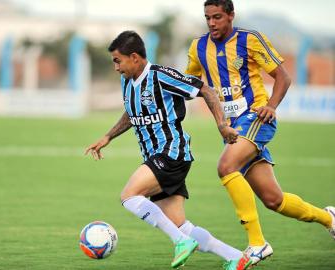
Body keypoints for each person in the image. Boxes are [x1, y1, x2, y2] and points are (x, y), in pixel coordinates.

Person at [185, 0, 335, 266]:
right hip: (233, 129)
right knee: (273, 200)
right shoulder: (198, 47)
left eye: (217, 17)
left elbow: (283, 76)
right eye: (207, 17)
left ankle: (258, 243)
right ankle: (329, 218)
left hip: (256, 116)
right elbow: (190, 83)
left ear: (231, 15)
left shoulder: (250, 40)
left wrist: (271, 105)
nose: (211, 23)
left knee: (226, 165)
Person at [85, 31, 251, 270]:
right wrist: (108, 136)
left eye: (117, 61)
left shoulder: (161, 76)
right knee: (181, 225)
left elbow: (206, 90)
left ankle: (181, 242)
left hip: (172, 152)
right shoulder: (127, 81)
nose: (116, 67)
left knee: (129, 196)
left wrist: (222, 125)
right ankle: (236, 257)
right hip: (156, 157)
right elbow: (133, 112)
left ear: (134, 57)